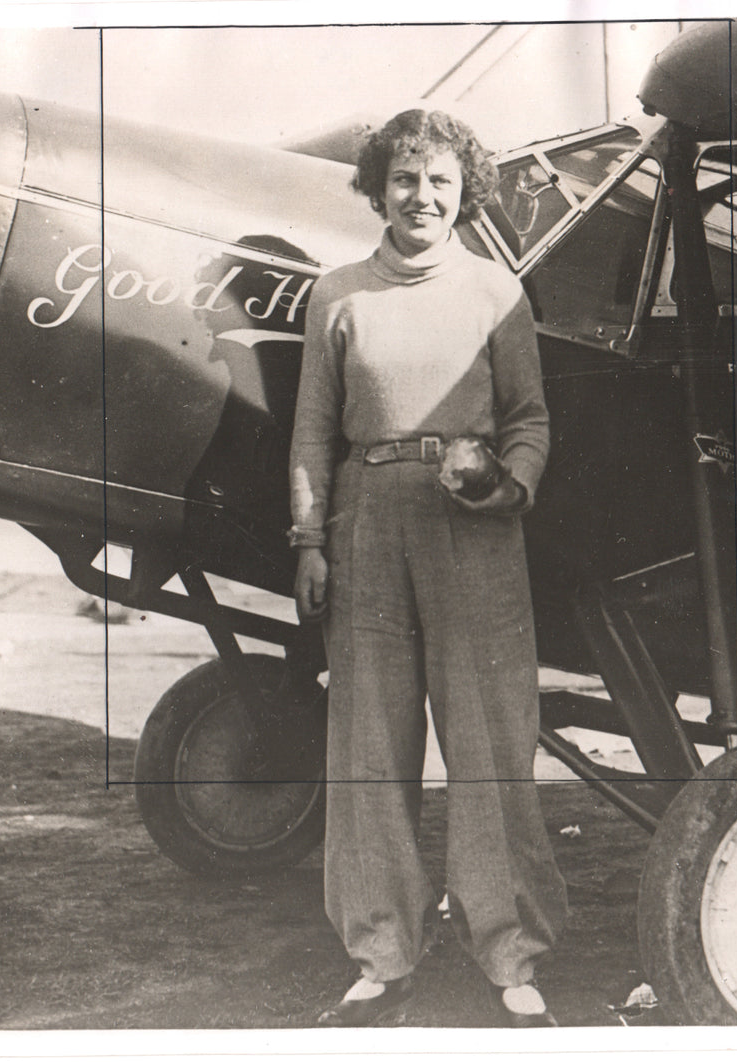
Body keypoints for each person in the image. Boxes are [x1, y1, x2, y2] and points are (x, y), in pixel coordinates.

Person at [288, 110, 567, 1028]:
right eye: (406, 180)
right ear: (379, 188)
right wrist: (310, 541)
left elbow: (528, 421)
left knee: (488, 744)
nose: (422, 197)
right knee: (369, 745)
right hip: (366, 522)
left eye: (441, 181)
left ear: (464, 191)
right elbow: (312, 437)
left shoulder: (497, 293)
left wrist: (506, 485)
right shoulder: (337, 295)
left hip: (473, 530)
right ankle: (382, 954)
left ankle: (510, 952)